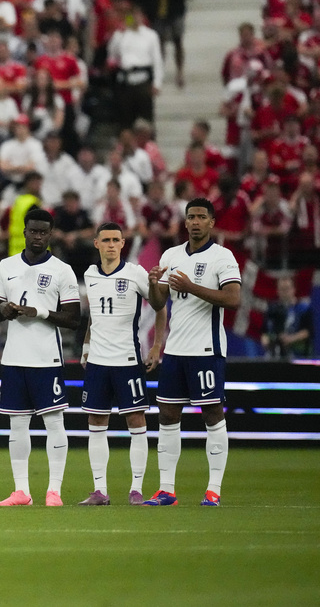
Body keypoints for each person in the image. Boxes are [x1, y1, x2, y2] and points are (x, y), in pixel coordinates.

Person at [145, 198, 242, 506]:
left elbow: (232, 299)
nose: (196, 221)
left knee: (212, 414)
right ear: (185, 222)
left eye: (202, 216)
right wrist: (152, 285)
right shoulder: (171, 255)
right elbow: (160, 303)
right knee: (168, 414)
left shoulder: (223, 257)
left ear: (212, 222)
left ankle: (213, 489)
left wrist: (190, 285)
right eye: (191, 217)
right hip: (175, 350)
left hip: (207, 348)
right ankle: (166, 490)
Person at [0, 208, 82, 507]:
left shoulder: (62, 270)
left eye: (44, 232)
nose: (38, 237)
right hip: (14, 358)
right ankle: (22, 491)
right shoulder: (6, 266)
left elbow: (73, 319)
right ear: (25, 231)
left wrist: (39, 311)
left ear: (51, 234)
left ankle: (54, 490)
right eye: (33, 231)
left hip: (47, 358)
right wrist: (3, 311)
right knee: (17, 425)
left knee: (54, 423)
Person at [77, 222, 167, 506]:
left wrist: (155, 346)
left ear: (123, 244)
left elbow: (159, 305)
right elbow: (94, 316)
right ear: (97, 243)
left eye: (117, 240)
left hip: (128, 359)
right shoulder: (90, 274)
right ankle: (100, 491)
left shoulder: (135, 273)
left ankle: (136, 489)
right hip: (98, 362)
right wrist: (86, 346)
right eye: (106, 240)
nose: (112, 244)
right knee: (96, 421)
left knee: (136, 420)